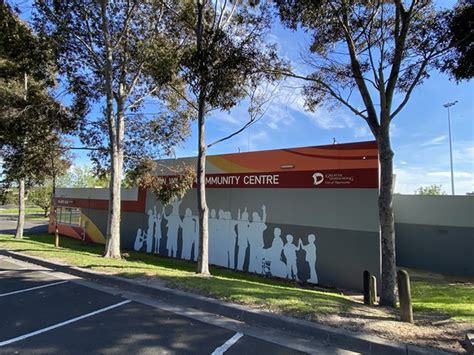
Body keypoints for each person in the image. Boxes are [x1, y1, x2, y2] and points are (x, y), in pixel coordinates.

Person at [247, 205, 267, 273]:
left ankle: (254, 271)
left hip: (257, 244)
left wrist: (264, 211)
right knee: (256, 257)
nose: (258, 217)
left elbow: (263, 220)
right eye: (257, 216)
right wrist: (264, 211)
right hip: (256, 244)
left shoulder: (254, 225)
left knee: (255, 257)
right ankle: (254, 271)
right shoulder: (256, 225)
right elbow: (263, 220)